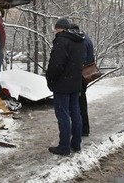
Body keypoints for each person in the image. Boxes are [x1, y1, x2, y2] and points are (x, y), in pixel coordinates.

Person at [46, 18, 85, 156]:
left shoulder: (62, 41)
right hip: (75, 83)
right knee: (75, 113)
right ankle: (76, 143)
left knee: (63, 115)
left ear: (61, 28)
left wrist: (49, 77)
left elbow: (56, 65)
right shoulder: (80, 41)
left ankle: (64, 147)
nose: (56, 32)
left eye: (57, 29)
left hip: (62, 85)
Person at [70, 24, 94, 137]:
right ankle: (84, 128)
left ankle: (82, 129)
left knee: (79, 103)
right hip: (86, 74)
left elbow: (81, 60)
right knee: (81, 101)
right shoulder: (86, 38)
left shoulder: (81, 41)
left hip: (80, 75)